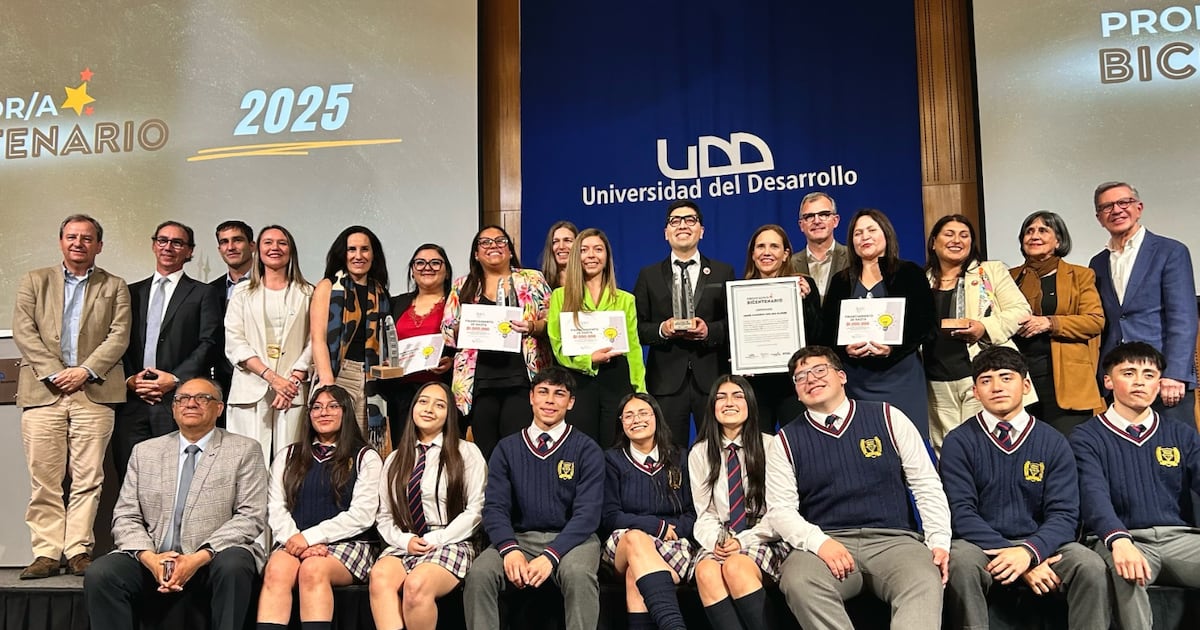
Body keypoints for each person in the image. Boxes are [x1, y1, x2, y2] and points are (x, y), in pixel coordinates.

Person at [767, 346, 951, 630]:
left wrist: (938, 540)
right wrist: (820, 543)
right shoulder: (784, 442)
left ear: (842, 376)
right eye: (801, 376)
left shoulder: (888, 416)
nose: (810, 379)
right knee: (798, 580)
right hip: (827, 541)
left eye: (819, 370)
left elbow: (926, 483)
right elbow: (780, 511)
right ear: (797, 391)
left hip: (893, 540)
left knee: (924, 578)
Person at [940, 347, 1109, 630]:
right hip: (982, 544)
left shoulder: (1053, 441)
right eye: (986, 381)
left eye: (1006, 378)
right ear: (975, 392)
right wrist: (1016, 556)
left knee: (1089, 566)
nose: (996, 387)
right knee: (961, 564)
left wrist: (1029, 551)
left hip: (1041, 542)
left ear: (1026, 385)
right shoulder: (959, 441)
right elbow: (961, 513)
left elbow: (1065, 515)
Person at [84, 377, 267, 630]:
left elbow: (250, 516)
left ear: (219, 409)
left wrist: (197, 558)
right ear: (173, 408)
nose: (190, 404)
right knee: (101, 573)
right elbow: (126, 516)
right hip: (156, 556)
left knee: (235, 565)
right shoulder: (145, 451)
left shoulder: (244, 450)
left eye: (202, 398)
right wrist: (150, 558)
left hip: (212, 557)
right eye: (182, 398)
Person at [12, 214, 131, 579]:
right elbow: (24, 329)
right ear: (61, 241)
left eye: (87, 238)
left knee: (88, 478)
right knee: (44, 479)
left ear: (99, 245)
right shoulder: (35, 280)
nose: (78, 243)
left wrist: (83, 371)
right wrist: (55, 371)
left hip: (93, 391)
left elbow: (119, 334)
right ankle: (47, 552)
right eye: (71, 237)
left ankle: (79, 549)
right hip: (42, 391)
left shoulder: (115, 285)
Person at [1071, 342, 1200, 629]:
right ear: (1108, 381)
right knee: (1127, 570)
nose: (1140, 381)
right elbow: (1093, 496)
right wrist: (1118, 539)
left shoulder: (1181, 433)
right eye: (1128, 373)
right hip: (1123, 538)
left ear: (1159, 383)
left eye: (1149, 374)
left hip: (1178, 539)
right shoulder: (1086, 437)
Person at [463, 367, 603, 630]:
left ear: (570, 402)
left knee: (578, 575)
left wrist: (551, 555)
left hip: (574, 539)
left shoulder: (587, 449)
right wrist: (509, 548)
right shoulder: (506, 448)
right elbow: (495, 508)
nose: (550, 400)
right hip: (520, 539)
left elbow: (588, 516)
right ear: (531, 397)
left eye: (559, 394)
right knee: (480, 573)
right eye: (543, 392)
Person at [256, 385, 382, 630]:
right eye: (317, 407)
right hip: (294, 540)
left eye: (333, 406)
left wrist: (310, 538)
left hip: (350, 544)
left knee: (313, 570)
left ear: (346, 412)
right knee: (276, 569)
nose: (324, 412)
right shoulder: (289, 455)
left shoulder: (365, 457)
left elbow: (362, 515)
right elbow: (276, 506)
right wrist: (296, 540)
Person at [370, 381, 486, 630]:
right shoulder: (395, 459)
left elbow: (476, 510)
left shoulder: (466, 452)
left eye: (439, 404)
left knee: (416, 584)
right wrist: (404, 541)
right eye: (423, 401)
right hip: (407, 541)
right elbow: (385, 515)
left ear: (449, 415)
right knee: (379, 577)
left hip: (452, 540)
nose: (429, 409)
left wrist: (439, 538)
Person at [114, 220, 222, 481]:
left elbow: (209, 342)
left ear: (189, 251)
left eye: (177, 242)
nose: (168, 247)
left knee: (173, 478)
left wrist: (173, 379)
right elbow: (117, 341)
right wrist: (130, 380)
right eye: (162, 240)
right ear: (154, 245)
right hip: (133, 401)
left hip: (176, 400)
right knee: (130, 478)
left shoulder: (203, 293)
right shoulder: (130, 292)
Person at [819, 209, 936, 440]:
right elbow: (826, 333)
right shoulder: (841, 281)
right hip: (855, 379)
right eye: (858, 233)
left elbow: (926, 326)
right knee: (864, 446)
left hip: (901, 376)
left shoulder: (909, 273)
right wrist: (845, 350)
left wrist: (892, 349)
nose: (865, 237)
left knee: (906, 444)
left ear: (886, 234)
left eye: (872, 230)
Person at [1088, 181, 1198, 427]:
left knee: (1176, 456)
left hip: (1162, 377)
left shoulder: (1170, 251)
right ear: (1099, 218)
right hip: (1118, 379)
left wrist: (1175, 374)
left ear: (1139, 208)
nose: (1116, 210)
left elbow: (1183, 317)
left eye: (1123, 202)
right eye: (1107, 206)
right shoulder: (1097, 262)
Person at [442, 225, 552, 459]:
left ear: (510, 251)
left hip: (521, 379)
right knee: (486, 453)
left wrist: (532, 326)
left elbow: (552, 322)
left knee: (518, 451)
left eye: (500, 241)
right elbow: (447, 331)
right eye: (485, 242)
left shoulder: (532, 279)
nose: (493, 245)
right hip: (479, 383)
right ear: (476, 253)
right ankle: (491, 497)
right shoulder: (463, 285)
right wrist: (467, 328)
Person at [633, 200, 736, 448]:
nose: (683, 226)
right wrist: (662, 329)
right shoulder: (649, 275)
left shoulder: (723, 272)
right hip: (666, 381)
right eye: (675, 221)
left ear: (701, 230)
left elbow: (733, 324)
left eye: (690, 220)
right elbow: (637, 328)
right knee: (669, 451)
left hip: (711, 378)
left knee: (715, 448)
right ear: (666, 232)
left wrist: (708, 330)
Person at [924, 214, 1030, 450]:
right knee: (946, 450)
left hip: (979, 375)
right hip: (935, 380)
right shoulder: (922, 281)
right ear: (933, 242)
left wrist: (985, 328)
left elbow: (1021, 311)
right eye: (949, 234)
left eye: (964, 235)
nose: (957, 240)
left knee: (984, 446)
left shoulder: (990, 272)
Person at [689, 376, 783, 630]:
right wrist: (715, 543)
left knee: (736, 567)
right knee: (706, 571)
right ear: (711, 407)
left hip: (764, 534)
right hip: (723, 536)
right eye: (721, 397)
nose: (728, 403)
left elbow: (781, 512)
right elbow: (704, 512)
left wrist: (743, 541)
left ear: (750, 404)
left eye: (737, 396)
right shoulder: (700, 452)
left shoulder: (771, 446)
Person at [602, 393, 696, 630]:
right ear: (621, 424)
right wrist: (657, 527)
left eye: (643, 413)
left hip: (674, 543)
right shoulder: (611, 460)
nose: (636, 420)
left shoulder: (680, 457)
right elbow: (609, 515)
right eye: (629, 416)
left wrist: (674, 531)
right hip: (624, 542)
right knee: (636, 538)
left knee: (637, 574)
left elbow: (695, 513)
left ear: (656, 418)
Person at [1009, 211, 1106, 435]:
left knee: (1068, 451)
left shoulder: (1080, 275)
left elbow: (1094, 321)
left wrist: (1049, 323)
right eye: (1029, 231)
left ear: (1058, 240)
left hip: (1066, 381)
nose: (1034, 236)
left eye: (1043, 230)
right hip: (1020, 379)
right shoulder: (1008, 277)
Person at [548, 228, 646, 447]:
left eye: (598, 249)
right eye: (584, 250)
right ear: (576, 257)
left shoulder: (625, 300)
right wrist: (588, 359)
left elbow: (634, 349)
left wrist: (639, 391)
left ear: (607, 257)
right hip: (579, 381)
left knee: (616, 448)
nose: (591, 255)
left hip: (616, 379)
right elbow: (557, 345)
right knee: (582, 449)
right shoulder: (560, 297)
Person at [223, 225, 313, 464]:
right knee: (248, 464)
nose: (275, 248)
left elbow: (314, 341)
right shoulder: (242, 292)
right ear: (258, 250)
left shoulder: (307, 292)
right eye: (268, 242)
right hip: (250, 388)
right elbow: (234, 341)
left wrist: (290, 381)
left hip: (292, 390)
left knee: (291, 464)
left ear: (291, 250)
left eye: (282, 243)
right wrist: (273, 378)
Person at [310, 226, 392, 444]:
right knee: (337, 444)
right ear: (342, 254)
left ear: (373, 254)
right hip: (339, 372)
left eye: (365, 249)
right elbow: (317, 339)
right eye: (351, 249)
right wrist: (328, 382)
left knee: (366, 445)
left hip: (371, 378)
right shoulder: (328, 287)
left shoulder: (380, 292)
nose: (358, 255)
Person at [741, 224, 821, 431]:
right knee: (758, 449)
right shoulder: (739, 293)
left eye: (774, 247)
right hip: (756, 386)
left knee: (799, 445)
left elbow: (816, 336)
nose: (766, 252)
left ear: (786, 254)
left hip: (794, 384)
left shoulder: (804, 285)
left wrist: (806, 302)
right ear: (753, 254)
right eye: (760, 247)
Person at [382, 244, 455, 449]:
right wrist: (386, 361)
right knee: (403, 453)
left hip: (441, 390)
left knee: (440, 452)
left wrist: (451, 360)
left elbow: (467, 346)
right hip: (401, 394)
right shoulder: (395, 303)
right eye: (420, 263)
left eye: (435, 263)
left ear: (446, 270)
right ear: (413, 271)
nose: (427, 267)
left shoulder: (456, 302)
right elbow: (383, 342)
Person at [209, 220, 255, 408]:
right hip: (223, 381)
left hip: (262, 377)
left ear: (252, 246)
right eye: (224, 242)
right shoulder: (210, 290)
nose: (231, 247)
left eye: (237, 240)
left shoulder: (273, 285)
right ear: (219, 249)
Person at [788, 192, 848, 302]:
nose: (816, 221)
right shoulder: (789, 265)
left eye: (824, 214)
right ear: (801, 225)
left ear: (835, 221)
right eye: (809, 216)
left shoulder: (853, 258)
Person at [540, 220, 578, 290]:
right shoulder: (541, 283)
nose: (561, 246)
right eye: (556, 241)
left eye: (567, 240)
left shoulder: (588, 282)